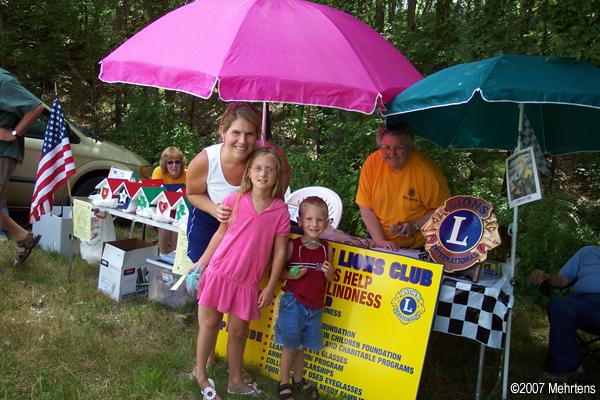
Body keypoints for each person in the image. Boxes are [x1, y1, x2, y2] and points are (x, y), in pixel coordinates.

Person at [193, 148, 290, 399]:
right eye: (258, 168)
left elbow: (279, 252)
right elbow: (220, 233)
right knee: (210, 324)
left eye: (269, 169)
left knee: (237, 332)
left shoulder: (280, 211)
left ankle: (235, 379)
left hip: (248, 282)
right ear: (249, 172)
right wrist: (202, 263)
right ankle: (200, 372)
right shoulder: (234, 200)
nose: (263, 173)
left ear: (277, 174)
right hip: (220, 272)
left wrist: (269, 288)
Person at [355, 123, 450, 250]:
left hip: (418, 245)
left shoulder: (427, 173)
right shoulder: (372, 163)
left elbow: (444, 210)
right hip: (379, 239)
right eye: (386, 148)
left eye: (399, 148)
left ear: (410, 147)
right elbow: (365, 207)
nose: (392, 153)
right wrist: (380, 241)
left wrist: (415, 225)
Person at [275, 196, 333, 400]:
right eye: (309, 219)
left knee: (303, 346)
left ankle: (298, 379)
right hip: (293, 303)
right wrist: (291, 275)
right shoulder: (294, 246)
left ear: (327, 223)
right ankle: (283, 382)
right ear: (300, 221)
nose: (314, 224)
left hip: (315, 307)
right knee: (290, 346)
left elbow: (330, 279)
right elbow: (278, 272)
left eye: (319, 220)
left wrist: (330, 273)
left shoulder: (327, 249)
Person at [529, 245, 600, 378]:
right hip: (583, 304)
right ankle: (567, 368)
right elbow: (561, 280)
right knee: (559, 305)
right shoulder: (587, 252)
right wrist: (546, 276)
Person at [0, 68, 44, 267]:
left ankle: (23, 236)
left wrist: (15, 133)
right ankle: (23, 236)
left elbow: (36, 107)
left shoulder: (3, 81)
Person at [152, 147, 187, 255]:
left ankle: (172, 257)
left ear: (181, 163)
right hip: (163, 208)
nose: (174, 165)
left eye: (177, 162)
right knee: (164, 222)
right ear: (165, 164)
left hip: (180, 211)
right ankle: (162, 254)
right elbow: (154, 193)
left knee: (178, 226)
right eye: (170, 162)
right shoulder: (158, 172)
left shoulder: (188, 173)